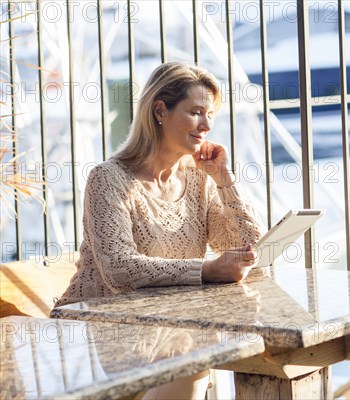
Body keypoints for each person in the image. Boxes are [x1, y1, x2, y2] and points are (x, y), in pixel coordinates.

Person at [54, 61, 264, 399]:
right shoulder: (109, 179)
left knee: (198, 359)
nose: (206, 124)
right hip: (103, 337)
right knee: (197, 360)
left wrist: (225, 180)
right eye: (196, 112)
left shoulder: (198, 180)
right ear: (160, 111)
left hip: (171, 332)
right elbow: (120, 269)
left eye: (209, 114)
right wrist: (207, 270)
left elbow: (249, 247)